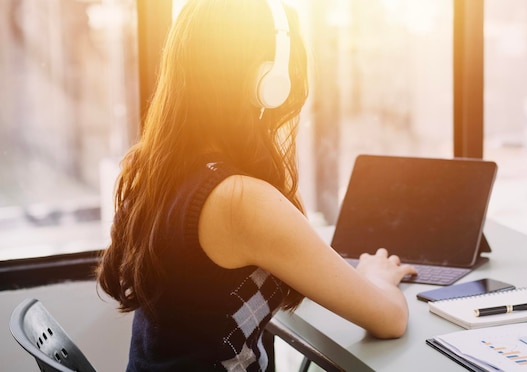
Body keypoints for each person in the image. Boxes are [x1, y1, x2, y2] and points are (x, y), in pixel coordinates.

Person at [96, 0, 417, 370]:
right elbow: (390, 319)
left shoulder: (156, 169)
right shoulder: (238, 199)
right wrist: (376, 279)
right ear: (267, 81)